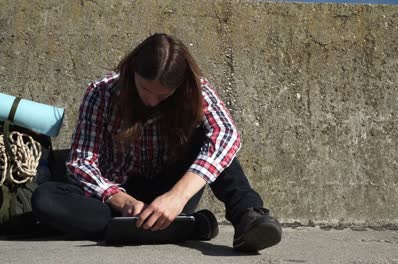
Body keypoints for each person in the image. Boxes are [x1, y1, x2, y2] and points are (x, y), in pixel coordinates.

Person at [31, 33, 282, 252]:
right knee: (46, 199)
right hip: (117, 200)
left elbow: (227, 136)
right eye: (144, 89)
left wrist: (176, 197)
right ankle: (184, 227)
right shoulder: (101, 92)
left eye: (162, 95)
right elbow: (81, 162)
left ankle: (248, 216)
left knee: (215, 145)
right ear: (132, 72)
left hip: (171, 192)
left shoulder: (195, 91)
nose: (151, 101)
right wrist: (118, 198)